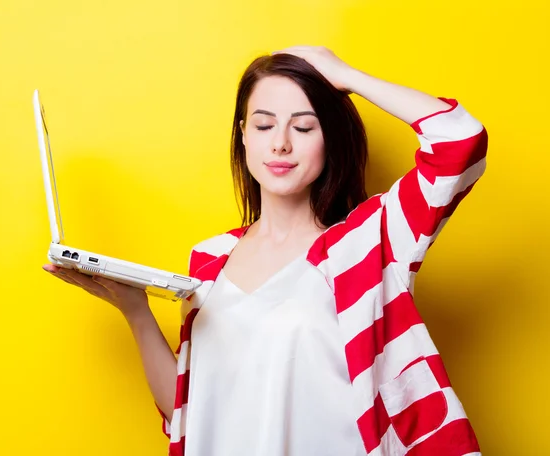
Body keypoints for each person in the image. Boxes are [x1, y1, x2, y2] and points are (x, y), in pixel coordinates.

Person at [43, 46, 488, 456]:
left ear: (328, 138)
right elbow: (188, 413)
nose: (280, 143)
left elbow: (460, 142)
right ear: (243, 135)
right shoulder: (210, 260)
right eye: (263, 124)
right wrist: (135, 311)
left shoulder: (370, 242)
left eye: (303, 125)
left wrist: (342, 74)